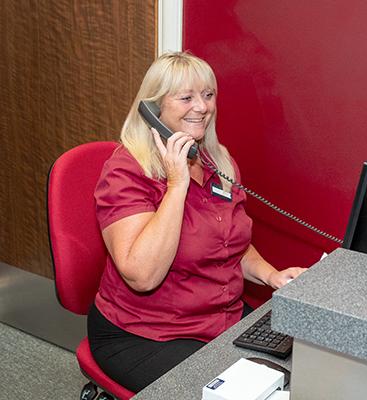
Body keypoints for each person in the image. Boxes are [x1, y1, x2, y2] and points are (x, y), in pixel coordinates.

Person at [88, 51, 306, 393]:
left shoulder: (217, 161)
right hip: (144, 333)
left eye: (208, 95)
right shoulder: (127, 171)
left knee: (302, 369)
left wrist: (271, 275)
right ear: (153, 109)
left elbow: (230, 242)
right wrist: (177, 185)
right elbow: (142, 275)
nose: (202, 107)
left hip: (220, 319)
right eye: (186, 97)